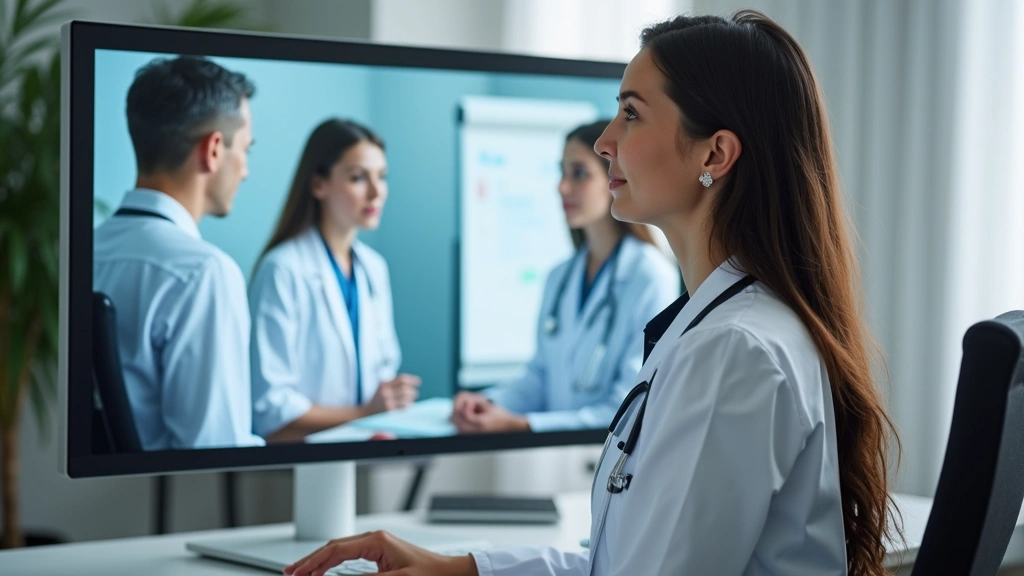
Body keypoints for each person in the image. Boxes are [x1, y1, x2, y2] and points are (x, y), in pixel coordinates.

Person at [284, 10, 900, 576]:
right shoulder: (719, 327)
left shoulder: (732, 351)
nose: (606, 140)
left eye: (631, 113)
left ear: (715, 152)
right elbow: (619, 563)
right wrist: (461, 568)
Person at [450, 120, 679, 434]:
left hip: (610, 458)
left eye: (579, 173)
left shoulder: (650, 274)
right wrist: (486, 403)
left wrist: (522, 424)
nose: (562, 187)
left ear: (613, 178)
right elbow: (540, 377)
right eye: (562, 172)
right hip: (553, 454)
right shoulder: (560, 278)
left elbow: (631, 401)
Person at [93, 55, 264, 450]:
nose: (245, 171)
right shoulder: (203, 272)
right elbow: (213, 449)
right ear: (215, 149)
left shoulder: (83, 254)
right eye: (246, 151)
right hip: (186, 502)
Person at [249, 118, 420, 443]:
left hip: (364, 447)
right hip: (299, 462)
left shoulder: (374, 268)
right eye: (358, 178)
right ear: (318, 185)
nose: (376, 192)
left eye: (382, 177)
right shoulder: (283, 269)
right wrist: (363, 415)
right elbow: (271, 408)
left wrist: (391, 401)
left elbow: (382, 370)